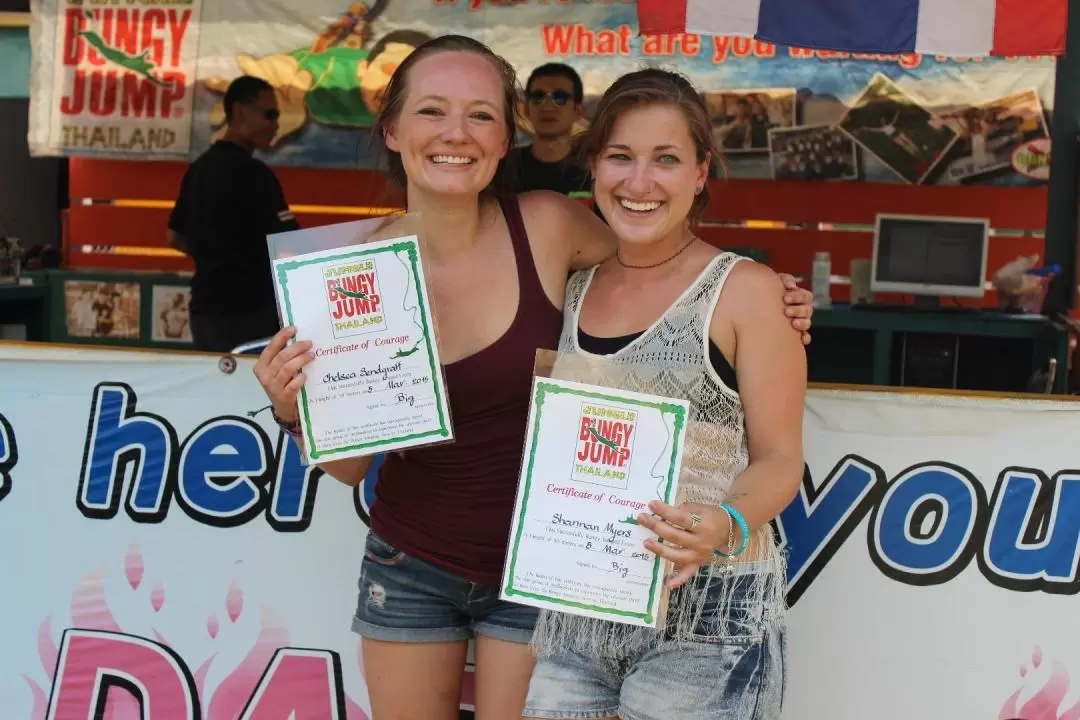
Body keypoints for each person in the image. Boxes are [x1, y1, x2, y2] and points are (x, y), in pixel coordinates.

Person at [252, 36, 814, 720]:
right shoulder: (345, 269)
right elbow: (349, 468)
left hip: (549, 572)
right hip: (411, 561)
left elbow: (668, 265)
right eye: (432, 111)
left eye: (481, 115)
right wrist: (293, 409)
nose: (456, 134)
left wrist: (769, 296)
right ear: (393, 129)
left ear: (504, 136)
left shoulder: (549, 227)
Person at [523, 69, 806, 720]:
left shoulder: (746, 290)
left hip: (708, 608)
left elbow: (780, 458)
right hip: (579, 605)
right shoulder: (568, 285)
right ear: (593, 165)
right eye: (620, 156)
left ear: (701, 172)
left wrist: (727, 522)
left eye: (667, 160)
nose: (639, 182)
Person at [167, 75, 300, 353]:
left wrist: (215, 258)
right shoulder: (256, 175)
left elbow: (174, 238)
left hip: (205, 315)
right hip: (250, 317)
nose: (276, 124)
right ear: (239, 111)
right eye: (270, 114)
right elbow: (289, 248)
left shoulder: (198, 170)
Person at [509, 63, 592, 195]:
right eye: (538, 97)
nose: (547, 106)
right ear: (526, 109)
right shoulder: (504, 168)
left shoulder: (593, 169)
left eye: (560, 98)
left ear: (578, 111)